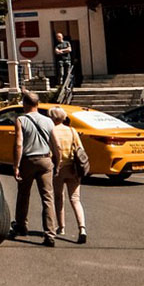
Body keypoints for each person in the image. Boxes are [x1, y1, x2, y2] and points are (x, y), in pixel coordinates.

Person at [12, 90, 60, 246]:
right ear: (38, 104)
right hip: (46, 160)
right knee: (48, 197)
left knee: (23, 194)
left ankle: (21, 225)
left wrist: (16, 165)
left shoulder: (21, 120)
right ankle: (50, 233)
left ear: (25, 104)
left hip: (28, 160)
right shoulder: (48, 121)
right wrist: (57, 163)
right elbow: (56, 145)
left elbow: (19, 144)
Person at [49, 107, 87, 244]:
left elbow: (51, 151)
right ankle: (82, 228)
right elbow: (80, 149)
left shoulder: (51, 131)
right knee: (75, 199)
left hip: (58, 169)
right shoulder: (72, 130)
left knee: (59, 198)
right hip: (73, 169)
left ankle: (61, 226)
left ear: (52, 118)